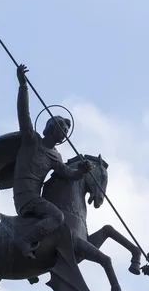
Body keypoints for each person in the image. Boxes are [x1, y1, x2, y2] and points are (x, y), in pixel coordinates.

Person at [13, 64, 91, 258]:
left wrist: (81, 170)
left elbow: (69, 174)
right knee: (57, 216)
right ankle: (24, 241)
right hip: (25, 197)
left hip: (37, 199)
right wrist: (23, 86)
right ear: (50, 127)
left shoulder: (55, 156)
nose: (64, 133)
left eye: (66, 131)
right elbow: (24, 115)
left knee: (58, 218)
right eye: (61, 128)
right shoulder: (32, 140)